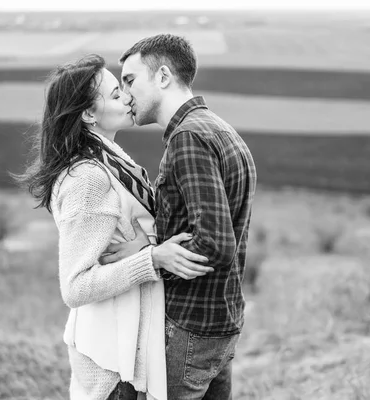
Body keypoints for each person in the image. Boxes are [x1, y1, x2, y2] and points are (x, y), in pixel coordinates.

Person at [14, 54, 212, 400]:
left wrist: (146, 244)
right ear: (89, 114)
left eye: (123, 87)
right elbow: (75, 287)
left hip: (125, 349)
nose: (126, 95)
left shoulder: (112, 159)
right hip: (110, 364)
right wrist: (152, 260)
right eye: (114, 92)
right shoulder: (88, 177)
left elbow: (131, 229)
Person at [116, 34, 257, 399]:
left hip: (190, 325)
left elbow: (215, 243)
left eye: (130, 80)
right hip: (221, 319)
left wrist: (147, 258)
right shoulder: (220, 129)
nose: (125, 94)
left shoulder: (188, 138)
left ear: (163, 76)